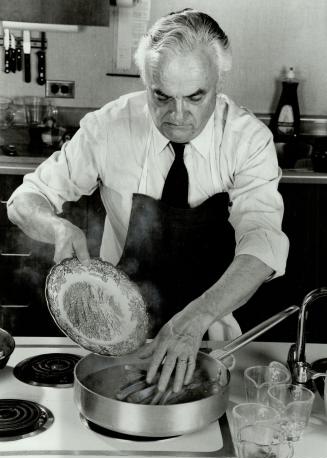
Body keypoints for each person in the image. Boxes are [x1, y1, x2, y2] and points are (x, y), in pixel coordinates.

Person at [7, 9, 289, 394]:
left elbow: (262, 241)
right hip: (114, 334)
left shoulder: (247, 140)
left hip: (209, 334)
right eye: (161, 96)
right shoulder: (110, 127)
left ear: (219, 81)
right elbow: (25, 199)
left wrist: (193, 320)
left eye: (195, 97)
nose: (177, 115)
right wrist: (55, 225)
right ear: (146, 82)